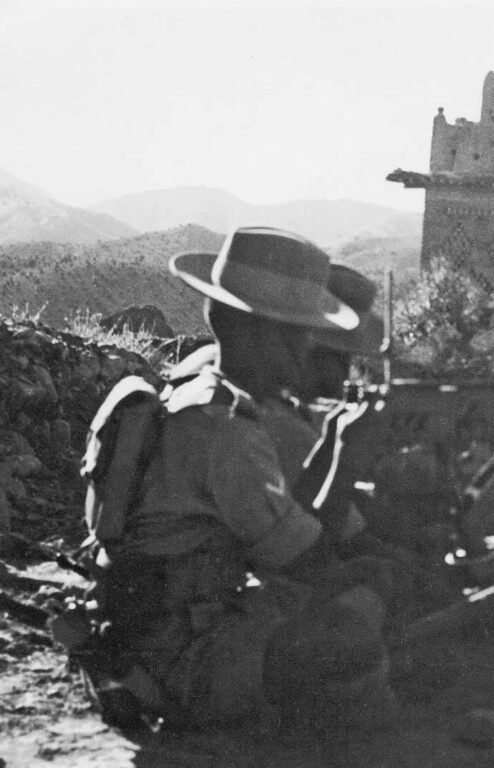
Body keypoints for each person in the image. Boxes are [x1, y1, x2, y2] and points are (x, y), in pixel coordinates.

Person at [91, 226, 401, 732]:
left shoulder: (195, 394)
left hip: (151, 637)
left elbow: (285, 526)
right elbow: (308, 561)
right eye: (297, 335)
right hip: (190, 659)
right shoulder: (226, 432)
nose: (307, 352)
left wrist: (337, 445)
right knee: (362, 612)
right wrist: (345, 453)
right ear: (254, 332)